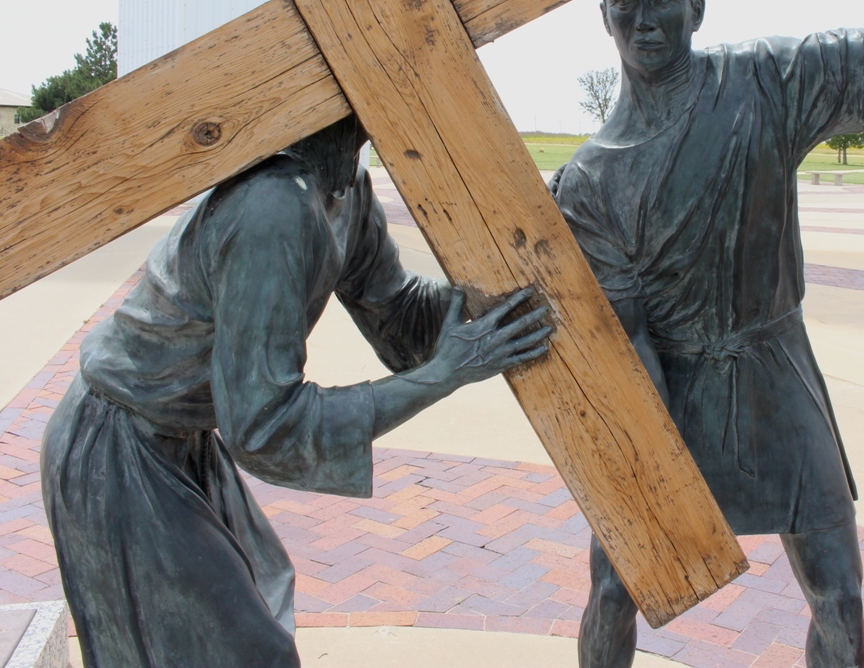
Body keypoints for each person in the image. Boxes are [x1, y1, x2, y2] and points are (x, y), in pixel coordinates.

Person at [549, 0, 864, 667]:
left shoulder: (767, 82)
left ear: (698, 4)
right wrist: (646, 472)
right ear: (605, 21)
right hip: (669, 395)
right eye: (626, 4)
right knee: (616, 586)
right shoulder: (588, 181)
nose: (646, 19)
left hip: (777, 378)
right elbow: (627, 341)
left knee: (838, 598)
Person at [41, 113, 552, 668]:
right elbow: (265, 426)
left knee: (258, 613)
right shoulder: (272, 208)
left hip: (179, 442)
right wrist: (441, 375)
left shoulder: (344, 184)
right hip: (115, 450)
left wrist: (501, 291)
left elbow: (400, 319)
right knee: (247, 655)